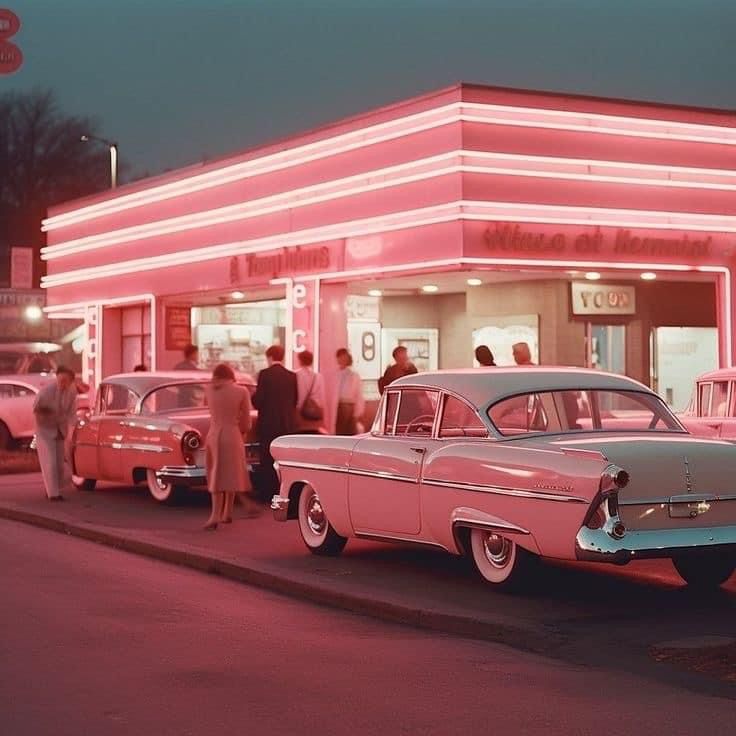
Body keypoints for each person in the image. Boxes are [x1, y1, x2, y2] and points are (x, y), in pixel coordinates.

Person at [203, 363, 258, 530]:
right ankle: (225, 512)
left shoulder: (209, 390)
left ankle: (216, 514)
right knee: (232, 473)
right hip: (233, 435)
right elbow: (246, 423)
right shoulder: (241, 391)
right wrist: (242, 430)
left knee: (216, 475)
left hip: (213, 434)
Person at [252, 345, 297, 499]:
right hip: (286, 424)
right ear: (282, 357)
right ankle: (283, 490)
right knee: (284, 459)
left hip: (268, 424)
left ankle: (267, 492)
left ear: (269, 357)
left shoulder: (264, 374)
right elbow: (294, 401)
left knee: (267, 458)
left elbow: (258, 401)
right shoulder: (291, 376)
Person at [33, 366, 78, 501]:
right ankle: (53, 494)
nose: (64, 383)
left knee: (59, 464)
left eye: (67, 381)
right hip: (45, 430)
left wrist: (72, 430)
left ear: (71, 381)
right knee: (49, 462)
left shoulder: (71, 392)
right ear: (57, 377)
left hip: (60, 430)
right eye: (62, 379)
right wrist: (44, 421)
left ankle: (54, 489)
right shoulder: (45, 392)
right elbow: (36, 411)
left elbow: (71, 412)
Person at [334, 348, 365, 435]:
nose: (341, 359)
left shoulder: (353, 374)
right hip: (337, 405)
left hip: (348, 405)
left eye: (344, 357)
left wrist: (358, 412)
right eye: (339, 357)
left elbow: (358, 393)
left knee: (347, 432)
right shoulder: (335, 374)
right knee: (339, 432)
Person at [295, 350, 326, 433]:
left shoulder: (295, 375)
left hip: (299, 412)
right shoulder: (318, 376)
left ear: (300, 360)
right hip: (314, 412)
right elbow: (322, 397)